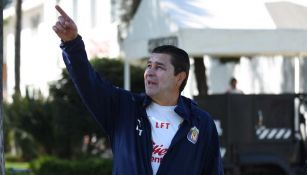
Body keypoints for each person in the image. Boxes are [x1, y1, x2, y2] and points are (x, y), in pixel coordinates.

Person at [52, 5, 223, 175]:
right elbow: (88, 82)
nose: (149, 72)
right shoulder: (124, 108)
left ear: (179, 77)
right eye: (149, 66)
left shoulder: (200, 122)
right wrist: (71, 43)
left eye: (159, 67)